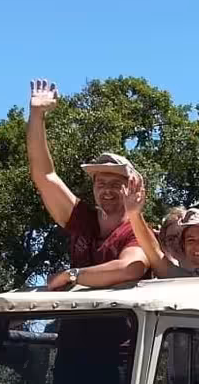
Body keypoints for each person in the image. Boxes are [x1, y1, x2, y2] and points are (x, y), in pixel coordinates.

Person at [25, 79, 148, 289]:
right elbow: (44, 176)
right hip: (74, 320)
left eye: (115, 183)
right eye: (100, 183)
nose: (106, 190)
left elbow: (130, 267)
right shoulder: (82, 219)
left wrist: (71, 275)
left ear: (131, 187)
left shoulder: (138, 232)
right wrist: (37, 115)